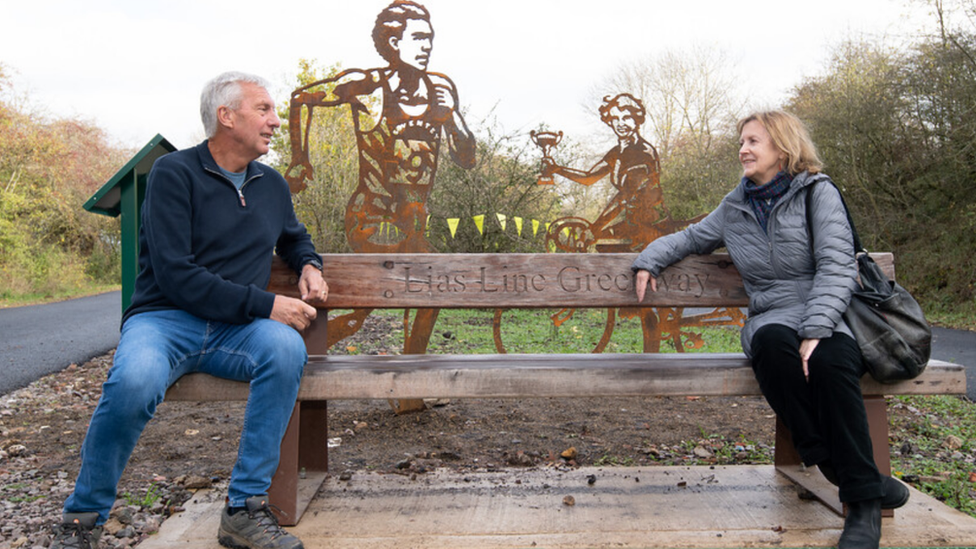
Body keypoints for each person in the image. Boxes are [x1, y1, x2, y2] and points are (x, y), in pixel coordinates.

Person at [51, 72, 327, 549]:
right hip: (164, 320)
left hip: (234, 330)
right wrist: (267, 304)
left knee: (284, 349)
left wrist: (309, 263)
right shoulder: (173, 174)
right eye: (263, 109)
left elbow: (293, 235)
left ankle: (244, 510)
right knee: (133, 381)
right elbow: (177, 276)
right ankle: (82, 520)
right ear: (227, 116)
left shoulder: (271, 184)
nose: (275, 121)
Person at [632, 110, 909, 549]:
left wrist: (818, 327)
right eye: (742, 141)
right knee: (772, 346)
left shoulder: (817, 192)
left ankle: (862, 509)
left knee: (830, 360)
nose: (743, 149)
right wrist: (648, 259)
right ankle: (853, 475)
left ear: (782, 147)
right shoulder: (734, 206)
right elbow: (688, 238)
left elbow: (837, 266)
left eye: (754, 141)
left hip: (830, 309)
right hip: (772, 314)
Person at [285, 0, 475, 253]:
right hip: (372, 221)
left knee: (436, 279)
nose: (426, 47)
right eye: (418, 38)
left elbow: (466, 159)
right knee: (410, 280)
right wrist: (300, 158)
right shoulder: (369, 86)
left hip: (414, 223)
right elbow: (302, 99)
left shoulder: (440, 89)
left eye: (429, 39)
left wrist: (453, 117)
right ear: (395, 43)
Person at [542, 93, 673, 253]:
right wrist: (557, 169)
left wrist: (595, 227)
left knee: (603, 247)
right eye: (615, 119)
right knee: (597, 244)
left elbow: (624, 196)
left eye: (626, 117)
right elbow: (589, 178)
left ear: (636, 119)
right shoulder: (617, 151)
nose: (620, 123)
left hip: (653, 228)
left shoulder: (642, 153)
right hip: (633, 225)